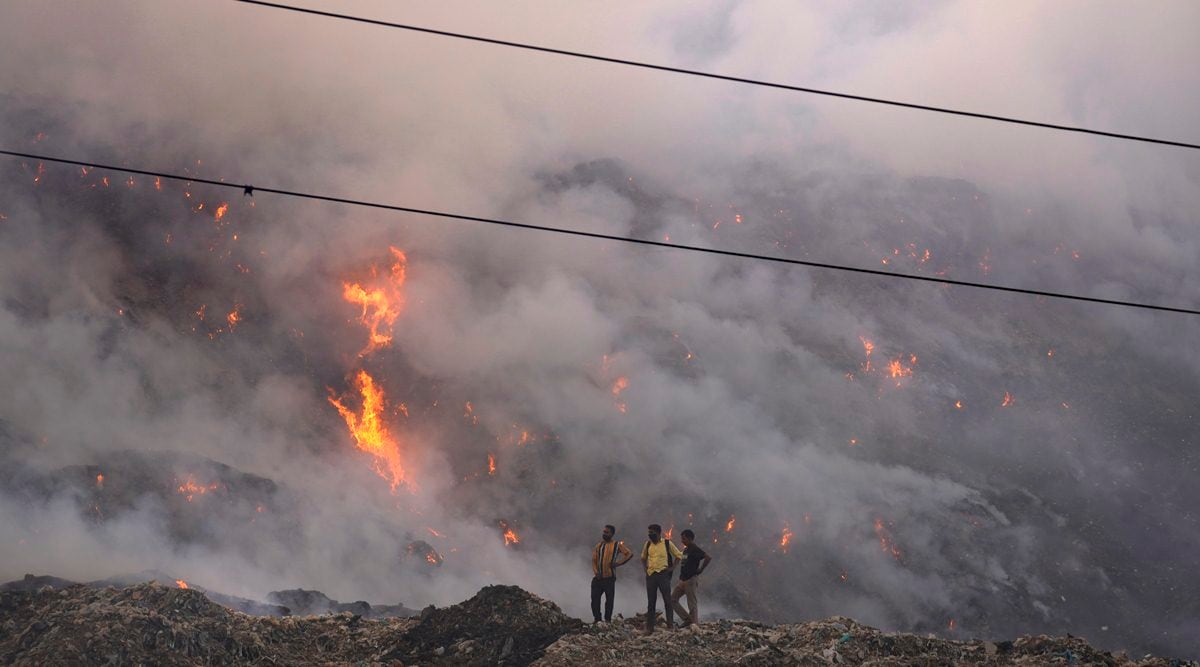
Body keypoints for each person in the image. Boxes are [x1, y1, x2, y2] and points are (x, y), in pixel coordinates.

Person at [640, 523, 683, 634]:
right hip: (651, 576)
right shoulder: (648, 544)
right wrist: (646, 570)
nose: (650, 535)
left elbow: (678, 555)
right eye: (649, 533)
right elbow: (643, 558)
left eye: (652, 533)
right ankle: (650, 628)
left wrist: (672, 568)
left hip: (663, 575)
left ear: (659, 533)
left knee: (667, 600)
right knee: (651, 602)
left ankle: (670, 626)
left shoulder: (667, 543)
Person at [590, 524, 632, 623]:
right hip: (598, 578)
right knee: (594, 600)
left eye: (607, 532)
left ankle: (607, 620)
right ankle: (597, 619)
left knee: (609, 601)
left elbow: (629, 554)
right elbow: (594, 561)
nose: (604, 534)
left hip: (609, 577)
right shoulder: (599, 545)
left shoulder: (617, 545)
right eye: (604, 532)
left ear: (612, 534)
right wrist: (596, 572)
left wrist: (618, 563)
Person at [670, 529, 711, 627]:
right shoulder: (686, 549)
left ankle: (695, 624)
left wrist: (701, 569)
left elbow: (707, 557)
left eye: (683, 538)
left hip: (690, 580)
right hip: (682, 580)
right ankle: (687, 619)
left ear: (689, 538)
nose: (682, 541)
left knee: (691, 603)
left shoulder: (694, 548)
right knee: (672, 599)